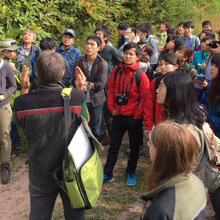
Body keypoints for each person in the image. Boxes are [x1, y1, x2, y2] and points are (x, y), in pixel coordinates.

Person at [14, 51, 86, 220]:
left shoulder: (22, 103)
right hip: (71, 170)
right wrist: (80, 90)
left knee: (39, 215)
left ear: (37, 74)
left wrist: (24, 89)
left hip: (40, 171)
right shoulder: (75, 97)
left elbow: (19, 125)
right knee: (75, 214)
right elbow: (86, 121)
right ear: (62, 74)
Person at [156, 71, 220, 218]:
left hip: (214, 184)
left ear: (175, 92)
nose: (156, 90)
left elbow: (186, 174)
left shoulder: (185, 130)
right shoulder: (189, 115)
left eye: (161, 86)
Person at [103, 42, 150, 186]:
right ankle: (108, 172)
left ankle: (131, 172)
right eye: (126, 53)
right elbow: (111, 90)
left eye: (131, 54)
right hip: (118, 115)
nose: (128, 56)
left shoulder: (140, 75)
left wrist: (137, 114)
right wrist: (112, 107)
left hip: (133, 118)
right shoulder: (117, 71)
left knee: (134, 146)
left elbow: (145, 98)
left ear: (138, 57)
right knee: (114, 145)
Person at [141, 121, 207, 220]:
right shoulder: (198, 182)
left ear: (163, 153)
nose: (148, 144)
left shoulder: (161, 210)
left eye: (151, 143)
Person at [72, 35, 108, 141]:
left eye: (92, 45)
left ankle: (95, 150)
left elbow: (101, 85)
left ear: (98, 48)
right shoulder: (80, 61)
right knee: (81, 127)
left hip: (97, 100)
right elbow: (74, 78)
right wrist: (79, 83)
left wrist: (85, 83)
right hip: (82, 99)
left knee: (96, 129)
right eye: (87, 44)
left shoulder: (102, 64)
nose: (88, 47)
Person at [2, 38, 32, 156]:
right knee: (11, 123)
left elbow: (27, 81)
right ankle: (16, 146)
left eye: (10, 51)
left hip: (22, 94)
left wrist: (15, 72)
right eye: (5, 51)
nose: (8, 54)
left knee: (24, 121)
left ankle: (32, 144)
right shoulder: (3, 62)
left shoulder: (24, 62)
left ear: (15, 50)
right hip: (9, 96)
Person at [144, 53, 179, 134]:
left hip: (175, 127)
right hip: (158, 124)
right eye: (161, 64)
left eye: (166, 64)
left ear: (176, 67)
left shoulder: (180, 83)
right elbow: (149, 105)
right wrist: (149, 126)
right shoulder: (156, 82)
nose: (163, 67)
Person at [0, 45, 17, 184]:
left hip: (2, 106)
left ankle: (5, 165)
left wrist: (4, 95)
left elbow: (13, 86)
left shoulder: (5, 66)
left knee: (5, 136)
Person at [207, 53, 220, 138]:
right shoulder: (212, 84)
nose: (212, 68)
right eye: (212, 64)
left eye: (216, 66)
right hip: (211, 134)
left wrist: (212, 120)